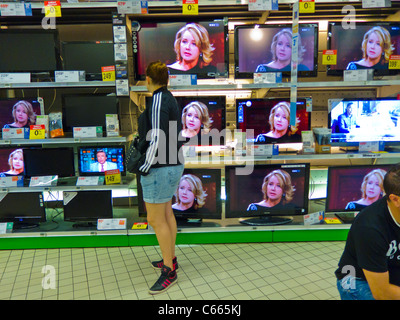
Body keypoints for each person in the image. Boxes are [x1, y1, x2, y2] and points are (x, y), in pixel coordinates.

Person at [137, 60, 185, 295]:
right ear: (167, 79)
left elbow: (156, 138)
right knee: (166, 214)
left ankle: (169, 271)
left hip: (160, 167)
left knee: (156, 220)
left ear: (148, 79)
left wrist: (144, 166)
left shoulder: (157, 100)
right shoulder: (170, 98)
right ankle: (171, 259)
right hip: (172, 163)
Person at [335, 164, 400, 300]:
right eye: (370, 183)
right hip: (356, 279)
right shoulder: (370, 227)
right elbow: (382, 293)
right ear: (395, 199)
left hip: (389, 269)